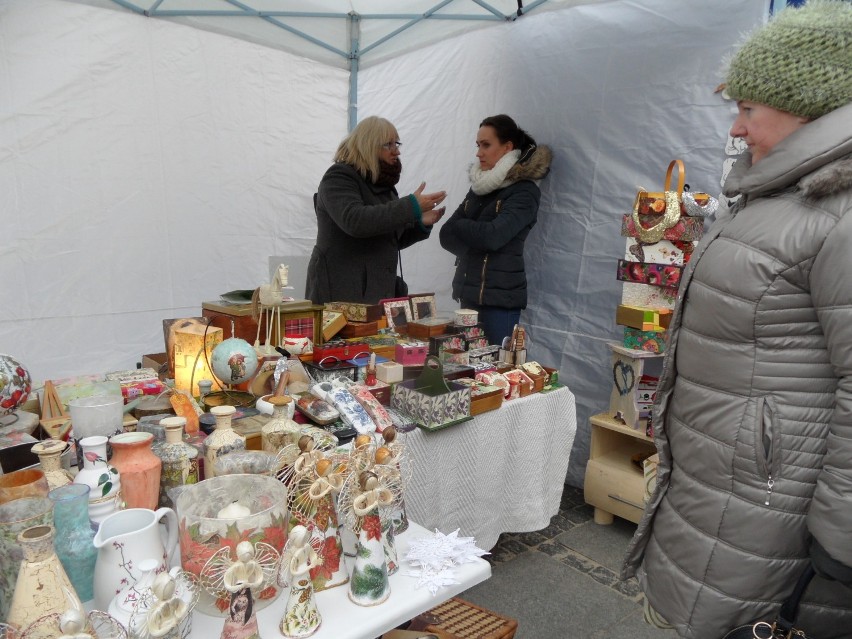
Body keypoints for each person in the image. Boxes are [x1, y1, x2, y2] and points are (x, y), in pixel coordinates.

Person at [622, 3, 852, 638]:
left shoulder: (841, 211)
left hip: (771, 507)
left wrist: (841, 551)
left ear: (810, 105)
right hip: (725, 489)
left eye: (749, 108)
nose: (737, 126)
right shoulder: (776, 192)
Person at [305, 116, 446, 304]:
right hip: (341, 294)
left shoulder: (383, 186)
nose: (396, 151)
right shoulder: (338, 177)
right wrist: (410, 206)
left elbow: (388, 239)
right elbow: (355, 221)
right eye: (388, 145)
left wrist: (420, 222)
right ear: (368, 145)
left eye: (397, 144)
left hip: (376, 293)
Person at [439, 114, 551, 347]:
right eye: (478, 145)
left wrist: (464, 228)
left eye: (486, 145)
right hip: (468, 295)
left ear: (507, 147)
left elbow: (493, 237)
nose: (479, 152)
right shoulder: (480, 188)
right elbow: (446, 235)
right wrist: (475, 235)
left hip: (500, 303)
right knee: (466, 368)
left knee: (499, 371)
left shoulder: (524, 192)